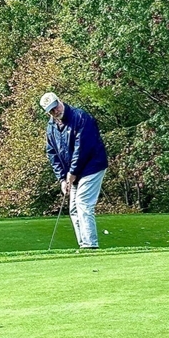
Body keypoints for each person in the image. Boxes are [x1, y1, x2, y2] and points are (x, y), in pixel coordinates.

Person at [41, 92, 108, 249]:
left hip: (92, 165)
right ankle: (83, 244)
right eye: (51, 110)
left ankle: (90, 245)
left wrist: (72, 173)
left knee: (83, 202)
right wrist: (62, 179)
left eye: (56, 106)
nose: (55, 111)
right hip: (74, 172)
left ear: (60, 101)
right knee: (73, 208)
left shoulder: (80, 117)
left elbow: (82, 148)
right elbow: (52, 153)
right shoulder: (51, 127)